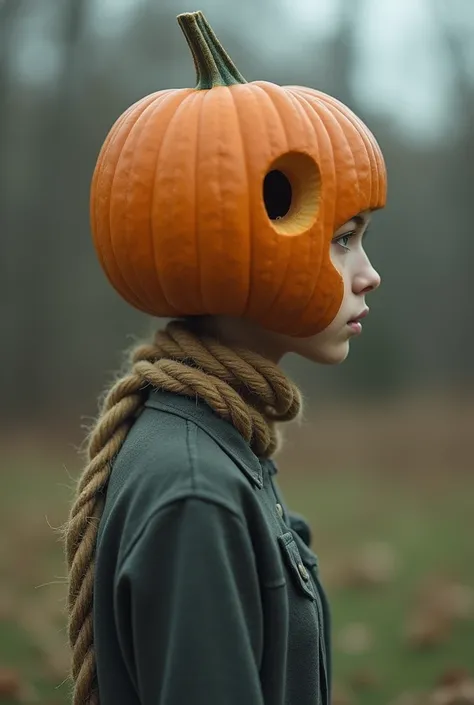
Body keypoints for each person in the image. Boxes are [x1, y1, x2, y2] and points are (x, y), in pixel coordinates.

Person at [63, 10, 387, 705]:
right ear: (255, 235)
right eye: (343, 240)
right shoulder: (195, 489)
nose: (369, 274)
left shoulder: (211, 438)